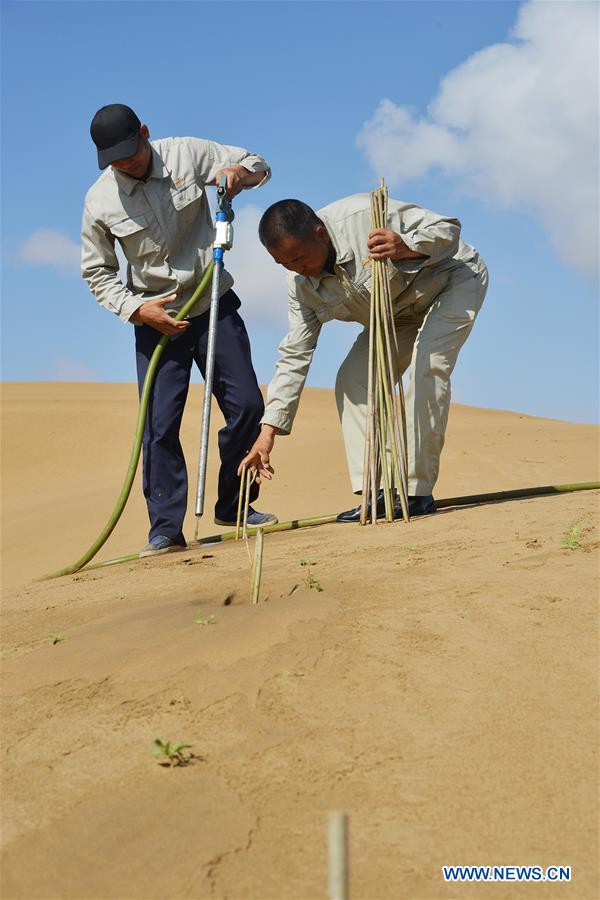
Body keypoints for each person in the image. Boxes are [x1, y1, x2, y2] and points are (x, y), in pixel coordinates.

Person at [81, 103, 277, 556]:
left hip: (212, 302)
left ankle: (236, 504)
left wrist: (238, 175)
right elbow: (97, 273)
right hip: (156, 320)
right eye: (114, 159)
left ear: (145, 133)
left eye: (129, 152)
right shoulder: (99, 200)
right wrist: (136, 310)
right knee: (159, 426)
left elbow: (258, 163)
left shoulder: (186, 154)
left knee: (247, 404)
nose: (125, 164)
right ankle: (166, 529)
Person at [240, 194, 488, 521]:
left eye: (299, 258)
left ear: (320, 234)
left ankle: (416, 492)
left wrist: (407, 245)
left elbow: (447, 229)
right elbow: (294, 356)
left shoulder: (362, 217)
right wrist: (268, 432)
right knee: (353, 380)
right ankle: (380, 491)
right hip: (394, 315)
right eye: (284, 264)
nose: (296, 269)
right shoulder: (299, 285)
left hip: (452, 281)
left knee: (428, 365)